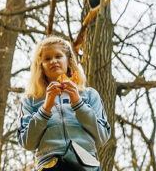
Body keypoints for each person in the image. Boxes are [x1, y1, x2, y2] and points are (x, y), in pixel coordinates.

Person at [17, 36, 110, 171]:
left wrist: (78, 103)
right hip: (49, 166)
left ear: (68, 61)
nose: (53, 61)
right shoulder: (30, 100)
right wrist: (46, 108)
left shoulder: (89, 94)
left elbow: (102, 137)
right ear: (41, 66)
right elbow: (27, 143)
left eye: (58, 56)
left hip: (86, 165)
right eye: (47, 59)